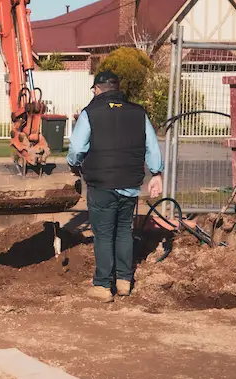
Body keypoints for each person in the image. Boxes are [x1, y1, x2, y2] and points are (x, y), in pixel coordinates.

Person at [66, 70, 164, 302]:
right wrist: (156, 173)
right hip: (129, 184)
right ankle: (123, 281)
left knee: (103, 234)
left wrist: (74, 165)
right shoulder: (138, 113)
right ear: (118, 89)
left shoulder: (90, 113)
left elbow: (77, 148)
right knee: (123, 232)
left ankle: (101, 286)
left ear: (97, 90)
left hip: (101, 185)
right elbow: (152, 146)